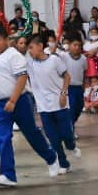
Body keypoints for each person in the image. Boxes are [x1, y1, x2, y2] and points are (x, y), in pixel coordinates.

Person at [0, 25, 60, 187]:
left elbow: (22, 78)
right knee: (3, 137)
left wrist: (12, 100)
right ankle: (8, 174)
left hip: (19, 101)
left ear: (6, 40)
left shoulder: (14, 56)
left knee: (31, 133)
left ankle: (51, 157)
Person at [26, 35, 78, 172]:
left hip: (59, 104)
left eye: (31, 47)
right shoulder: (29, 64)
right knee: (53, 139)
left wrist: (63, 93)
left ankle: (71, 145)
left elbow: (67, 76)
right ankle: (63, 163)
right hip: (44, 107)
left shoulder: (54, 60)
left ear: (40, 46)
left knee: (67, 134)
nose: (29, 51)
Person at [62, 35, 87, 127]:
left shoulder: (83, 59)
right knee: (71, 109)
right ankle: (70, 129)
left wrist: (83, 85)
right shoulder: (64, 56)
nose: (77, 47)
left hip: (79, 87)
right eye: (75, 45)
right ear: (69, 46)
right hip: (69, 87)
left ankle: (70, 124)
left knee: (79, 107)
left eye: (79, 45)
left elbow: (84, 72)